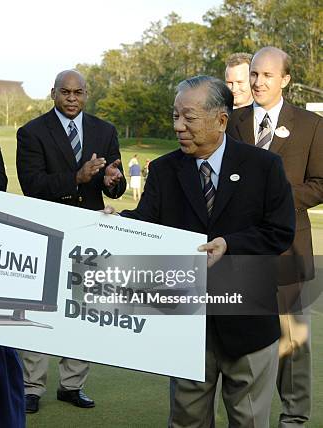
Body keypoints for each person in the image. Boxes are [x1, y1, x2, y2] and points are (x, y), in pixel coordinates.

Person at [120, 75, 295, 427]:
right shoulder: (165, 170)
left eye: (189, 117)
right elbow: (143, 224)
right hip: (187, 323)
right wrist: (113, 223)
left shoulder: (263, 167)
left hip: (247, 323)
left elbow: (280, 232)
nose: (178, 127)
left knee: (248, 421)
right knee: (187, 420)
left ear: (221, 120)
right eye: (174, 117)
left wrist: (231, 244)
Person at [16, 69, 126, 414]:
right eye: (66, 92)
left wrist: (112, 182)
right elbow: (32, 185)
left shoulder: (104, 131)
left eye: (78, 92)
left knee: (83, 309)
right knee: (38, 306)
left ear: (86, 93)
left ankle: (72, 385)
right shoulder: (31, 132)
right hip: (45, 231)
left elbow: (116, 186)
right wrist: (76, 178)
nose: (72, 98)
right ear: (53, 93)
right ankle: (31, 387)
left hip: (90, 232)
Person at [226, 46, 323, 427]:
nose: (258, 81)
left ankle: (295, 418)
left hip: (289, 250)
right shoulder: (231, 122)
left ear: (285, 80)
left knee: (292, 343)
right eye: (254, 74)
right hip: (239, 250)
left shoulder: (310, 125)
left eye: (267, 75)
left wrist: (277, 198)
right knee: (245, 342)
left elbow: (320, 183)